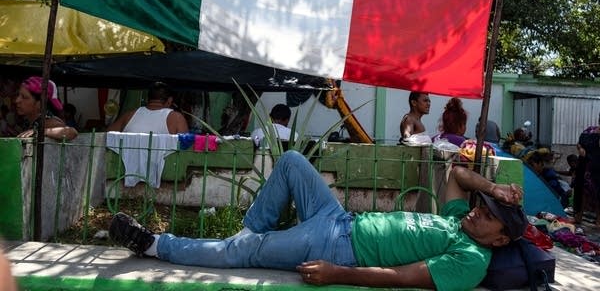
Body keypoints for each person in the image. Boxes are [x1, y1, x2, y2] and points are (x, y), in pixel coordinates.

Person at [110, 150, 527, 290]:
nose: (478, 211)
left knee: (244, 252)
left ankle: (153, 245)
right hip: (340, 219)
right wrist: (494, 190)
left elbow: (402, 277)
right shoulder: (460, 220)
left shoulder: (471, 258)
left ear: (501, 240)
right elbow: (456, 173)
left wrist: (337, 273)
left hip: (335, 248)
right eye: (482, 206)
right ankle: (251, 233)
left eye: (489, 216)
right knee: (291, 161)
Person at [107, 82, 189, 134]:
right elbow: (185, 146)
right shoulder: (176, 118)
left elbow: (106, 135)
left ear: (148, 98)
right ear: (170, 100)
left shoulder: (129, 115)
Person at [14, 76, 78, 141]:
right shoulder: (29, 120)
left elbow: (72, 132)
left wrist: (41, 132)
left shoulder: (48, 122)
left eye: (24, 97)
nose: (17, 100)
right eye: (18, 95)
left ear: (40, 103)